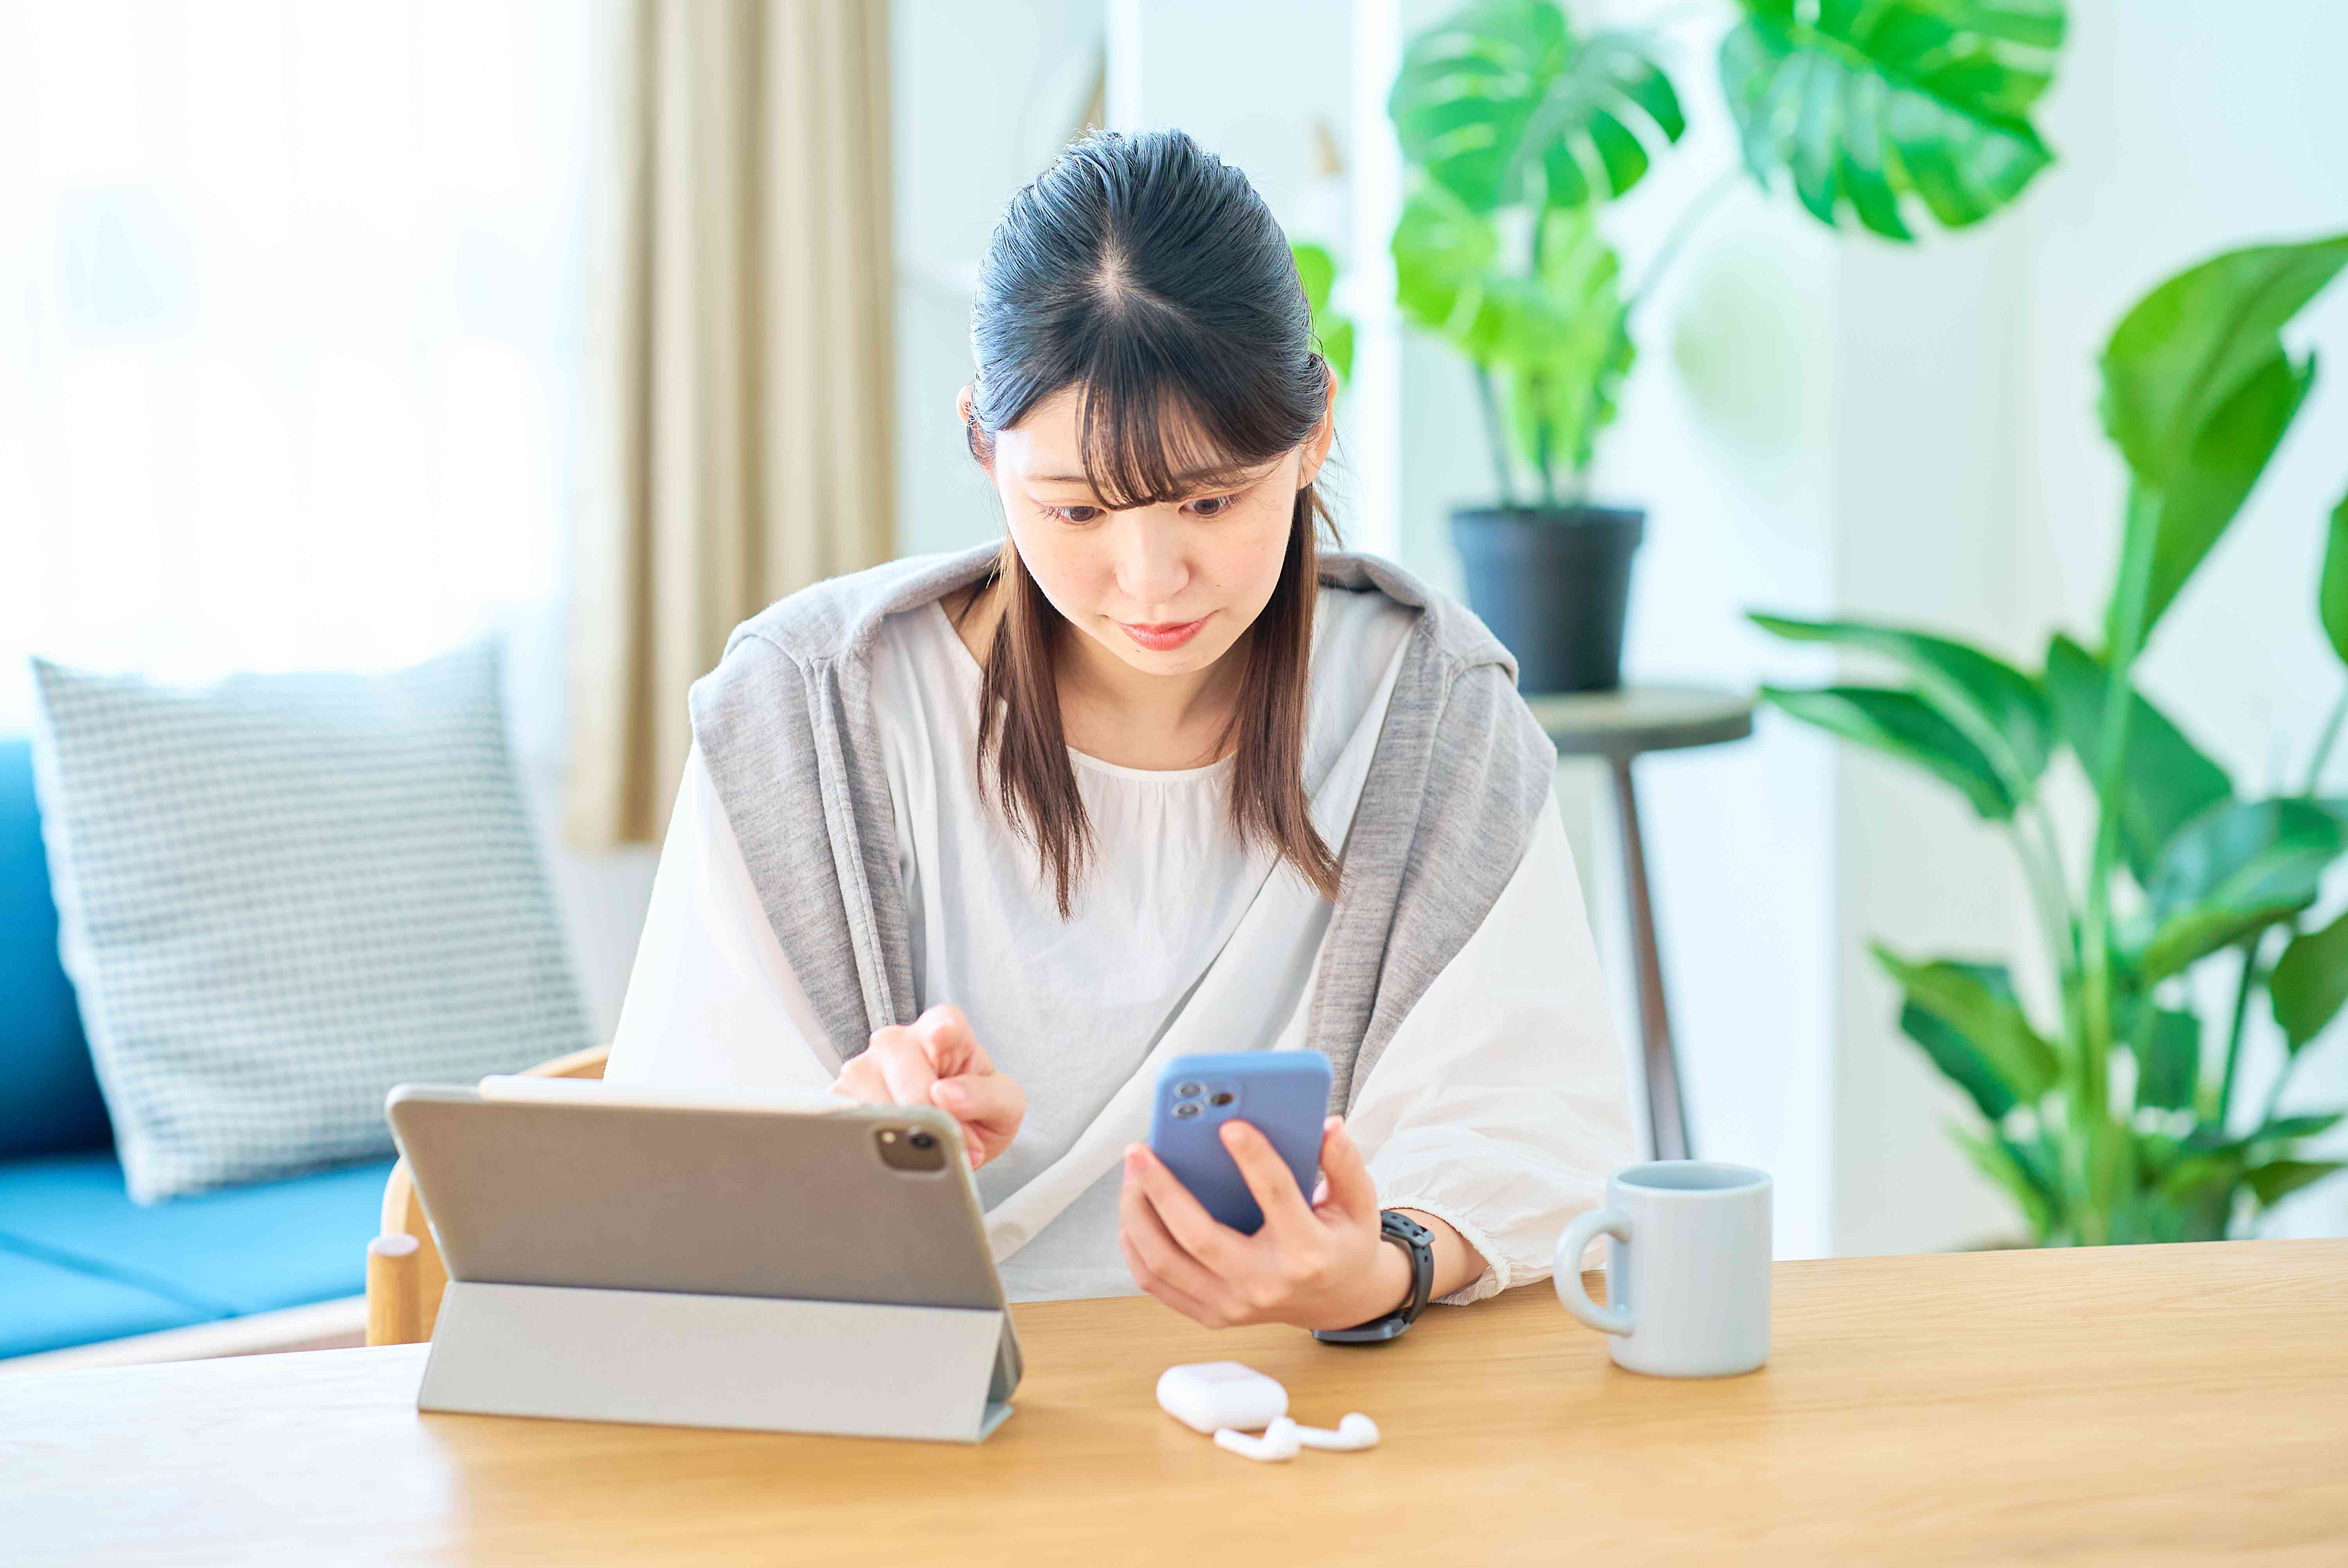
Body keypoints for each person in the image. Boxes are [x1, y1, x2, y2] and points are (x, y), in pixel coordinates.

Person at [604, 128, 1631, 1338]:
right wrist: (855, 1152)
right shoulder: (813, 714)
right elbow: (672, 1185)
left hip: (1316, 1413)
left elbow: (1535, 1131)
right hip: (926, 1424)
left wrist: (1382, 1265)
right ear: (985, 446)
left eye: (1212, 498)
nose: (1152, 581)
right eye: (1078, 509)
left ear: (1314, 431)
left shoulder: (1430, 710)